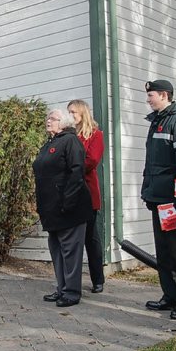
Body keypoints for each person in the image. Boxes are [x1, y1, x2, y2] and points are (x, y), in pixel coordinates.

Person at [141, 79, 176, 320]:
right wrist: (148, 191)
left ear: (164, 95)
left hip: (172, 201)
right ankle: (170, 295)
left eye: (151, 95)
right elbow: (152, 164)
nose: (148, 99)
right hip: (158, 199)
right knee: (163, 251)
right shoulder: (157, 122)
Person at [33, 108, 89, 307]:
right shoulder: (50, 143)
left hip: (68, 208)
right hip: (51, 209)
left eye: (53, 118)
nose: (48, 121)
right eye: (48, 118)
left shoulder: (70, 141)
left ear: (64, 123)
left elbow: (76, 173)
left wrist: (68, 202)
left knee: (70, 251)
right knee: (56, 249)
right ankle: (62, 288)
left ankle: (72, 292)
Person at [67, 99, 105, 293]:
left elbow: (92, 160)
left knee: (91, 238)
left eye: (73, 112)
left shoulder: (96, 135)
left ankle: (98, 278)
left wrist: (71, 168)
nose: (71, 115)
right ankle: (71, 281)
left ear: (82, 113)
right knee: (72, 239)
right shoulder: (69, 135)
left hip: (87, 191)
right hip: (70, 192)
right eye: (69, 112)